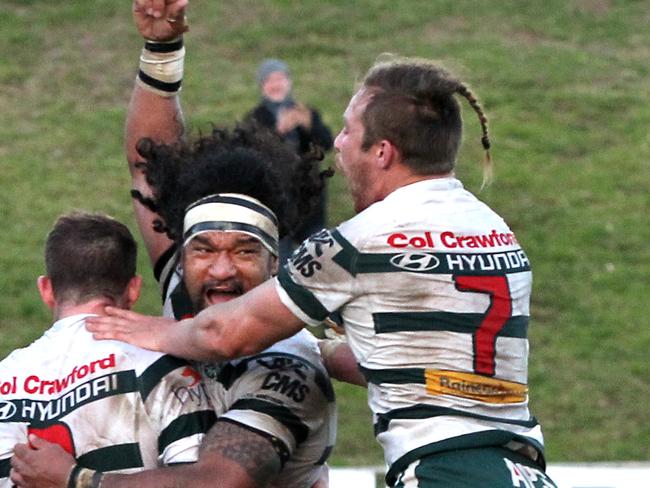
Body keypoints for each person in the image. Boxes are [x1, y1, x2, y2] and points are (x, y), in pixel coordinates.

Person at [87, 46, 559, 487]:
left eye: (349, 130)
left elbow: (223, 336)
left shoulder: (358, 242)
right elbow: (410, 361)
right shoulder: (495, 230)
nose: (338, 142)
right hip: (521, 470)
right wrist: (318, 350)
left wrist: (150, 332)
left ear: (383, 152)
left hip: (441, 469)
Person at [11, 2, 335, 487]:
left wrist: (80, 482)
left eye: (244, 251)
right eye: (203, 250)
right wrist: (161, 49)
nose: (221, 269)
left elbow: (217, 482)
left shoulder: (285, 361)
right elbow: (149, 163)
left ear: (275, 263)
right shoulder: (185, 289)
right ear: (181, 254)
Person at [2, 212, 215, 488]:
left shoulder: (4, 377)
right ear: (134, 289)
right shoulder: (161, 367)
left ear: (46, 289)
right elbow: (201, 482)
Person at [244, 58, 334, 261]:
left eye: (280, 79)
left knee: (316, 259)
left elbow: (325, 144)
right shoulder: (256, 117)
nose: (276, 85)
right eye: (270, 81)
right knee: (280, 261)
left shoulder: (304, 112)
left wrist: (309, 126)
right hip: (276, 201)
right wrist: (278, 132)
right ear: (262, 86)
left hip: (309, 201)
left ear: (289, 82)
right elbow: (252, 154)